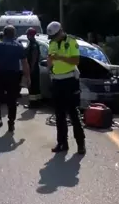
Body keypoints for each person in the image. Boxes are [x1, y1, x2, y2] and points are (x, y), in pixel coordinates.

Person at [46, 21, 86, 154]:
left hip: (70, 80)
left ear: (60, 32)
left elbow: (75, 61)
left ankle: (81, 144)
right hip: (57, 82)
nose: (53, 39)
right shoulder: (52, 43)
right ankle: (62, 143)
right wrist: (50, 62)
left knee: (74, 114)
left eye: (54, 36)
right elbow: (49, 62)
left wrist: (59, 57)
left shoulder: (71, 42)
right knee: (59, 115)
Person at [0, 25, 30, 135]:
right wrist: (28, 77)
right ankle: (11, 123)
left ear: (4, 34)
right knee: (12, 101)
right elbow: (25, 64)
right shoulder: (19, 46)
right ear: (14, 34)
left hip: (0, 75)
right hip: (14, 76)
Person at [24, 27, 41, 108]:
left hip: (33, 67)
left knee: (32, 86)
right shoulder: (32, 42)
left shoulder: (33, 43)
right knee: (35, 86)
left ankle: (33, 104)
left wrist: (31, 68)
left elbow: (34, 56)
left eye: (27, 34)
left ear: (30, 35)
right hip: (34, 67)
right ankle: (37, 102)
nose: (27, 36)